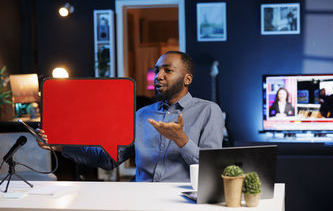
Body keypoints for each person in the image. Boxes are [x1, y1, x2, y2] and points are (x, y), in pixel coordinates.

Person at [37, 51, 224, 183]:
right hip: (139, 199)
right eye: (157, 70)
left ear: (187, 79)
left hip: (180, 202)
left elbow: (212, 168)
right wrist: (59, 146)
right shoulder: (142, 114)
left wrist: (181, 140)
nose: (158, 76)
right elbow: (108, 159)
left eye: (168, 70)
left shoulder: (208, 111)